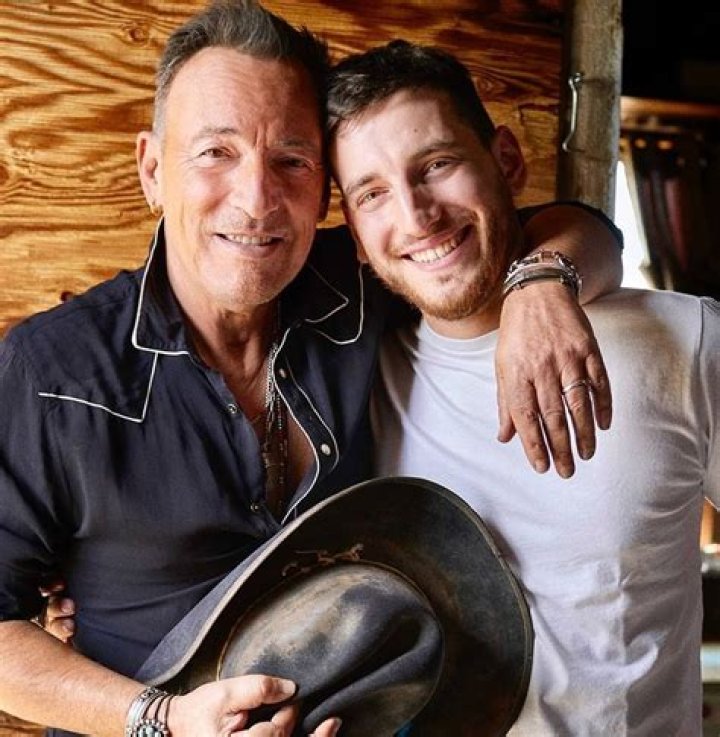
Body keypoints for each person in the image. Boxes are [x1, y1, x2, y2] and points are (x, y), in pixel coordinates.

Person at [0, 2, 622, 736]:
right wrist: (161, 718)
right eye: (216, 153)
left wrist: (541, 284)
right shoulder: (51, 370)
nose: (257, 200)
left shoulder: (362, 281)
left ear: (326, 188)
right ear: (152, 170)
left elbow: (571, 227)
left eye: (291, 160)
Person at [326, 39, 720, 734]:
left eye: (437, 164)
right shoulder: (355, 385)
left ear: (506, 161)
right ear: (356, 235)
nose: (417, 216)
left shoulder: (684, 339)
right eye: (373, 194)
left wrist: (543, 277)